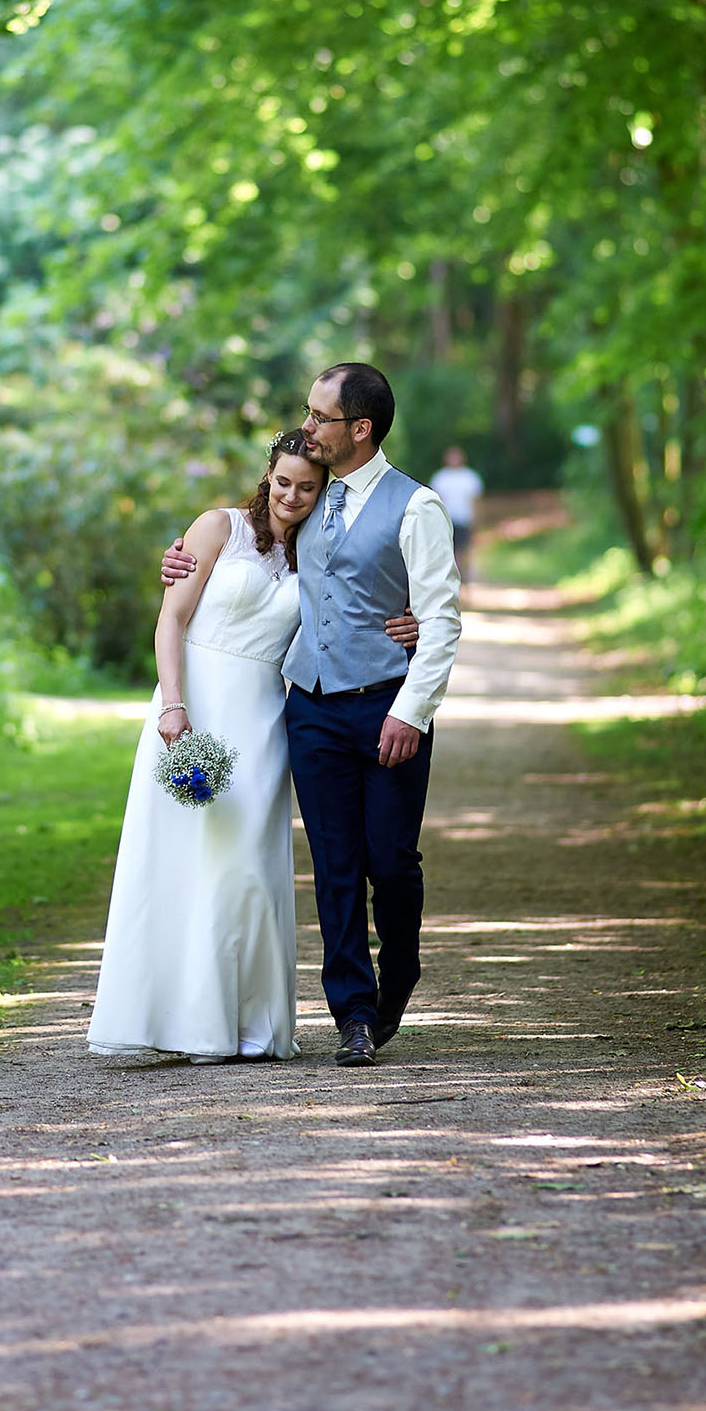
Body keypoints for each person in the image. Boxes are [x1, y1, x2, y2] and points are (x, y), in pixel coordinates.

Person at [163, 365, 462, 1068]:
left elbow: (442, 619)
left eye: (319, 416)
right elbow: (258, 541)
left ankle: (401, 974)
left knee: (390, 862)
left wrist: (411, 711)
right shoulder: (313, 495)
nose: (306, 427)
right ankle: (353, 1015)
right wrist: (181, 561)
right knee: (334, 866)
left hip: (389, 709)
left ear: (359, 428)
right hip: (311, 710)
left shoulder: (416, 507)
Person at [88, 431, 417, 1064]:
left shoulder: (321, 551)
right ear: (267, 475)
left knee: (244, 871)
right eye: (283, 481)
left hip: (265, 719)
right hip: (194, 709)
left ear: (324, 492)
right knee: (179, 858)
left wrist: (413, 621)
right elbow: (172, 619)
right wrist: (174, 705)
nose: (292, 496)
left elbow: (371, 601)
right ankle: (173, 1020)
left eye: (308, 487)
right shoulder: (218, 527)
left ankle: (242, 1024)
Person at [430, 445, 483, 580]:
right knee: (448, 550)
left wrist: (475, 519)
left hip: (464, 519)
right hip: (447, 520)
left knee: (465, 550)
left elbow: (475, 501)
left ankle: (465, 577)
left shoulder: (470, 477)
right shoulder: (440, 478)